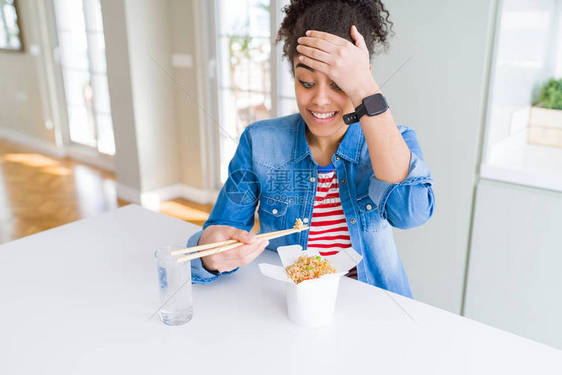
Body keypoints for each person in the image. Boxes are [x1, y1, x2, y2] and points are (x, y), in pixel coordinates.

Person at [187, 0, 434, 297]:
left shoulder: (395, 139)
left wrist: (366, 91)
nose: (320, 100)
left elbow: (411, 214)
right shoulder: (259, 141)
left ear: (362, 78)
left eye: (339, 85)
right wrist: (209, 253)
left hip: (373, 308)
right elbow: (219, 233)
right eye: (306, 82)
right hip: (291, 304)